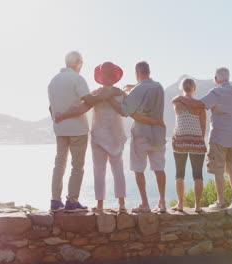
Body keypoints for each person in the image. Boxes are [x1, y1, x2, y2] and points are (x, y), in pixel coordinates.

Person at [56, 62, 163, 213]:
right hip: (116, 136)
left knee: (99, 171)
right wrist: (153, 121)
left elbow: (82, 108)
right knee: (118, 170)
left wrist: (62, 115)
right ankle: (121, 204)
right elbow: (132, 110)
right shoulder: (120, 94)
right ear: (114, 76)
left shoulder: (96, 94)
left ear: (101, 76)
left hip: (98, 135)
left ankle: (100, 205)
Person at [48, 51, 114, 211]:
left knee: (59, 165)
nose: (82, 66)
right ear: (77, 63)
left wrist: (58, 120)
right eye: (82, 63)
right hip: (77, 129)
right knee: (77, 166)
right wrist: (102, 94)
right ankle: (72, 201)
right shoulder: (77, 79)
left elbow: (51, 107)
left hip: (60, 129)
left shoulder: (53, 81)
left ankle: (55, 201)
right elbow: (88, 101)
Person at [173, 67, 232, 209]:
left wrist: (179, 98)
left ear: (216, 79)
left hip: (220, 136)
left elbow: (198, 104)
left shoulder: (216, 92)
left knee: (218, 170)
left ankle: (221, 201)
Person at [109, 61, 167, 213]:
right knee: (159, 169)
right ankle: (162, 202)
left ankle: (145, 204)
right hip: (159, 134)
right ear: (148, 71)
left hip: (142, 134)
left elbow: (124, 111)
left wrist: (112, 100)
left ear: (137, 73)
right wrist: (132, 87)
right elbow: (145, 89)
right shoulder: (159, 87)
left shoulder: (138, 90)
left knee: (138, 169)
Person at [171, 78, 207, 213]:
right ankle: (197, 206)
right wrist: (200, 140)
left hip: (180, 140)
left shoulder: (177, 102)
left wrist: (180, 96)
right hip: (196, 141)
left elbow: (176, 101)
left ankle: (180, 204)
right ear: (194, 88)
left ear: (182, 88)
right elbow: (203, 125)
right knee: (198, 175)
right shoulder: (200, 106)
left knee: (179, 174)